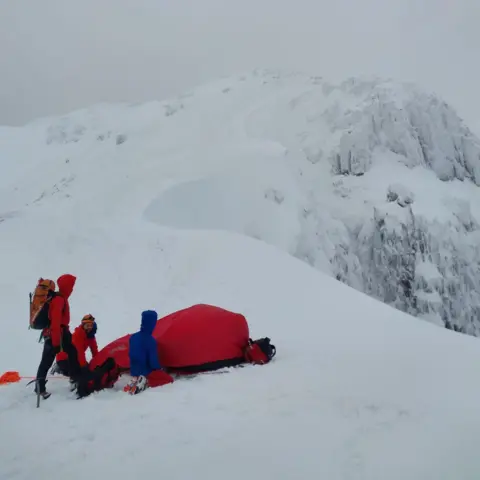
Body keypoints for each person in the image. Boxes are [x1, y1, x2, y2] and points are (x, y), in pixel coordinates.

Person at [34, 273, 81, 398]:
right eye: (71, 286)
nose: (72, 289)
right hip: (56, 334)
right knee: (47, 361)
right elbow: (55, 321)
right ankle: (40, 387)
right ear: (66, 286)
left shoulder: (60, 298)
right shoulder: (59, 299)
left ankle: (75, 378)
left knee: (72, 353)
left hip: (59, 333)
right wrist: (55, 343)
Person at [125, 310, 173, 394]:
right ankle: (146, 381)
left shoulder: (133, 337)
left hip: (133, 369)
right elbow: (153, 362)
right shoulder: (150, 341)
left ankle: (136, 379)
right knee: (169, 379)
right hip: (146, 371)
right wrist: (160, 369)